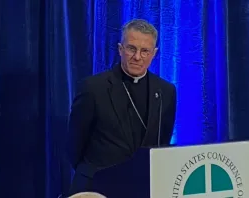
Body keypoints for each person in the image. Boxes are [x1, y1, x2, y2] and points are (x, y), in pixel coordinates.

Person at [65, 19, 177, 196]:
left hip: (142, 186)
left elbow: (162, 140)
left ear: (154, 53)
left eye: (145, 51)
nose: (137, 57)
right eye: (132, 48)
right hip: (97, 186)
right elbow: (75, 143)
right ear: (120, 49)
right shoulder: (93, 88)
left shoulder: (165, 91)